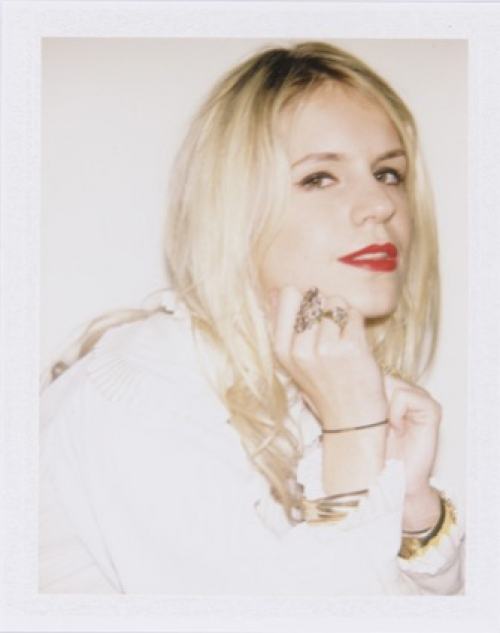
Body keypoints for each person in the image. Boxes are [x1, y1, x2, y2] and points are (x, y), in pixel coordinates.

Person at [39, 41, 464, 595]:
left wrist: (412, 512)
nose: (382, 205)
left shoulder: (317, 383)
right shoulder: (144, 397)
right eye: (320, 177)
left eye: (388, 173)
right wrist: (353, 439)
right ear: (235, 206)